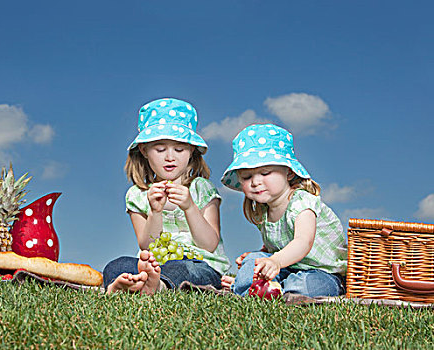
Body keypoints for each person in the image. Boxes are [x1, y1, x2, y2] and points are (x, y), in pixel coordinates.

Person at [103, 97, 231, 294]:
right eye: (160, 149)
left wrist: (189, 207)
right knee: (118, 265)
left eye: (179, 149)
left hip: (201, 263)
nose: (170, 157)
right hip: (153, 263)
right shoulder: (137, 195)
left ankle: (158, 285)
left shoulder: (201, 188)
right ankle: (120, 285)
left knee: (185, 268)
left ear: (191, 151)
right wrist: (155, 211)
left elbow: (210, 244)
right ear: (144, 150)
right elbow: (147, 245)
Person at [220, 124, 347, 298]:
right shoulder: (264, 210)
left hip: (321, 273)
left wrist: (275, 261)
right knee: (252, 261)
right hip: (287, 268)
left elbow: (303, 242)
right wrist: (264, 256)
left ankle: (263, 288)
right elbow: (279, 244)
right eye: (247, 177)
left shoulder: (301, 201)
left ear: (288, 172)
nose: (255, 182)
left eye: (265, 173)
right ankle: (255, 287)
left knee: (303, 285)